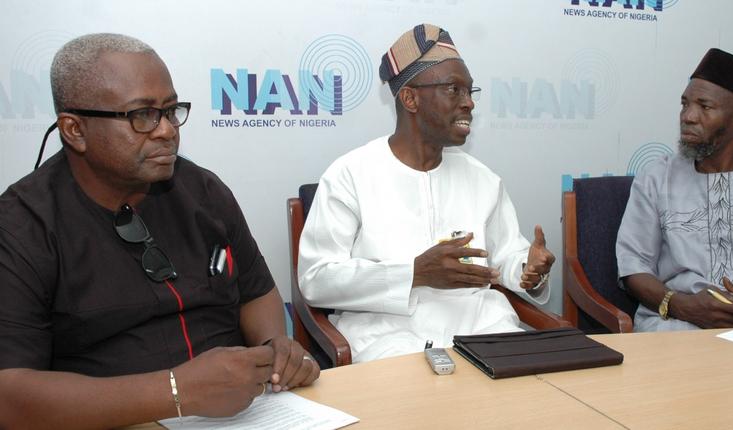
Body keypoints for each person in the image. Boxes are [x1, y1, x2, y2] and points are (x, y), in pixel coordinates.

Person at [0, 34, 318, 429]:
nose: (167, 130)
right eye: (142, 116)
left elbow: (257, 293)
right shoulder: (21, 227)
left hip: (250, 414)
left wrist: (275, 347)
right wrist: (175, 392)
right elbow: (9, 395)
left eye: (171, 111)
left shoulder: (204, 191)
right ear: (74, 130)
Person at [298, 24, 555, 363]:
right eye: (453, 90)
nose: (469, 104)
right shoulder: (350, 175)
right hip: (388, 339)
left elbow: (508, 256)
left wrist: (528, 271)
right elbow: (317, 280)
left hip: (481, 331)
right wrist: (415, 273)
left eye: (470, 91)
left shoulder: (483, 179)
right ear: (410, 98)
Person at [617, 48, 733, 331]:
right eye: (685, 104)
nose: (688, 116)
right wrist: (682, 306)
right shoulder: (657, 177)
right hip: (676, 322)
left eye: (704, 106)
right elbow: (633, 266)